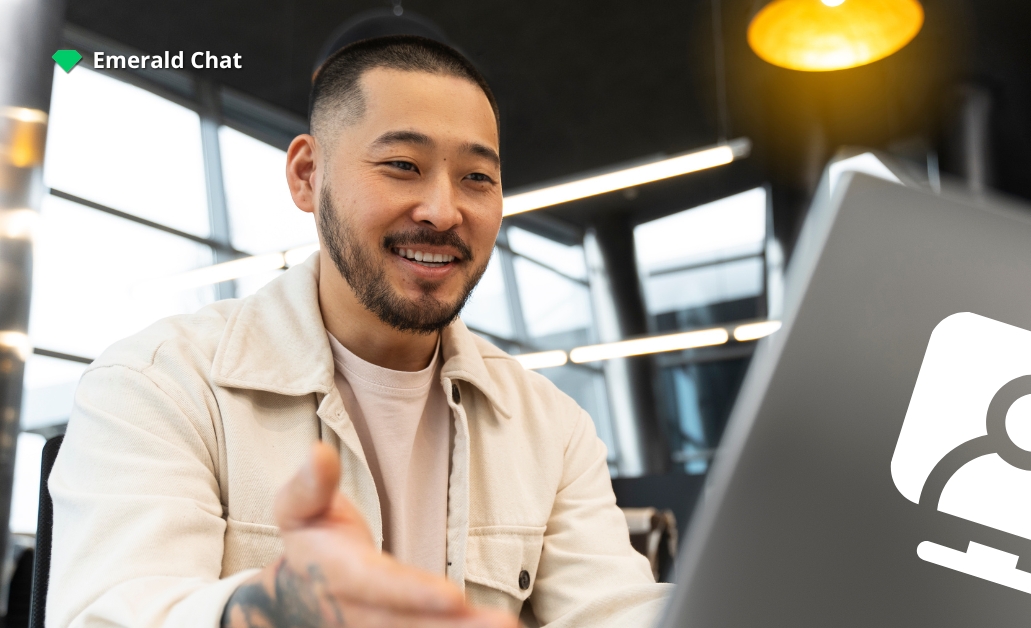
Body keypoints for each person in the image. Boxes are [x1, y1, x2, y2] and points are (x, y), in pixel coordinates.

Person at [46, 36, 669, 628]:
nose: (444, 210)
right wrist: (269, 611)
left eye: (477, 178)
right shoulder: (163, 383)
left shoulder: (550, 426)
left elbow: (614, 608)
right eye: (402, 165)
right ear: (306, 176)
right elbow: (112, 611)